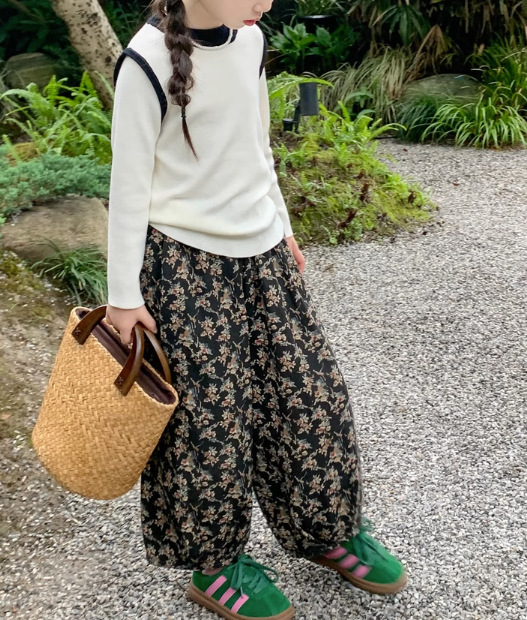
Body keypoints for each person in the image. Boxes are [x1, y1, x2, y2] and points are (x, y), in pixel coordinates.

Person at [105, 1, 407, 618]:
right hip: (184, 264)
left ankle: (326, 530)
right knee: (208, 425)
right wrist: (123, 298)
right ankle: (214, 565)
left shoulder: (251, 41)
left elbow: (257, 147)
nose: (267, 2)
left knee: (312, 396)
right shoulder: (145, 60)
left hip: (264, 252)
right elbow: (127, 186)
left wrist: (283, 224)